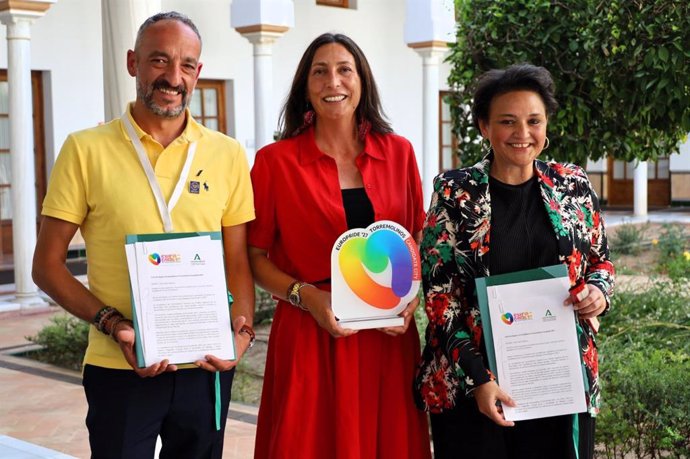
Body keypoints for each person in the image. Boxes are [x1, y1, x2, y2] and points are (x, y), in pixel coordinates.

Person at [31, 11, 255, 458]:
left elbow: (237, 261)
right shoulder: (85, 149)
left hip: (205, 366)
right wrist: (114, 325)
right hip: (120, 363)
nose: (173, 77)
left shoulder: (227, 154)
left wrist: (242, 338)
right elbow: (46, 266)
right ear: (133, 63)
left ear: (198, 73)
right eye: (160, 61)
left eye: (187, 65)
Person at [414, 64, 615, 459]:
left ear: (546, 126)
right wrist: (479, 380)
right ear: (484, 126)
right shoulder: (454, 192)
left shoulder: (572, 184)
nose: (523, 134)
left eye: (533, 121)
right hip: (472, 387)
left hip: (558, 379)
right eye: (508, 121)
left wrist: (598, 294)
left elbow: (601, 263)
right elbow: (440, 300)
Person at [248, 33, 431, 459]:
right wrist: (306, 295)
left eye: (344, 69)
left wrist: (412, 300)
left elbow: (416, 238)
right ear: (305, 87)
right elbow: (255, 258)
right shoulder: (275, 163)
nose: (334, 81)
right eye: (320, 71)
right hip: (309, 332)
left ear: (361, 80)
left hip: (387, 335)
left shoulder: (399, 153)